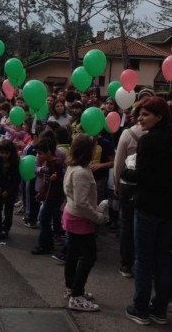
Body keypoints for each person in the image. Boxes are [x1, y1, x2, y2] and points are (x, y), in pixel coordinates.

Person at [122, 97, 172, 326]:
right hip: (171, 209)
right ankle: (160, 309)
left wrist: (127, 173)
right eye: (139, 114)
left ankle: (141, 309)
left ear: (159, 116)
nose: (140, 119)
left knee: (144, 260)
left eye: (145, 114)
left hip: (148, 207)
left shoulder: (149, 141)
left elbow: (144, 176)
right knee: (163, 260)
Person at [63, 133, 109, 311]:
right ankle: (76, 295)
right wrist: (97, 217)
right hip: (80, 218)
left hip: (73, 214)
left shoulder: (75, 167)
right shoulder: (81, 172)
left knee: (74, 253)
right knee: (88, 256)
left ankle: (72, 287)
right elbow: (82, 202)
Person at [113, 112, 148, 278]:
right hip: (147, 185)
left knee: (127, 224)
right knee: (145, 224)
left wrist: (116, 182)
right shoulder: (158, 134)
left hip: (127, 183)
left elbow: (119, 161)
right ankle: (144, 264)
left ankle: (126, 264)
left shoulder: (127, 133)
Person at [31, 136, 66, 254]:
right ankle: (47, 243)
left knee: (44, 219)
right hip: (48, 195)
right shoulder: (47, 163)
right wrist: (41, 194)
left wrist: (57, 178)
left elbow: (58, 182)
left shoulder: (55, 164)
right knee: (44, 219)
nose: (39, 156)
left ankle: (45, 245)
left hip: (54, 197)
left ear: (49, 152)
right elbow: (47, 183)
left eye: (40, 153)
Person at [0, 139, 21, 239]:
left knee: (8, 211)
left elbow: (16, 179)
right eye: (1, 153)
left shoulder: (15, 163)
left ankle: (6, 229)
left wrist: (8, 191)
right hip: (0, 189)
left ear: (11, 153)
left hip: (10, 190)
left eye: (6, 153)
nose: (4, 155)